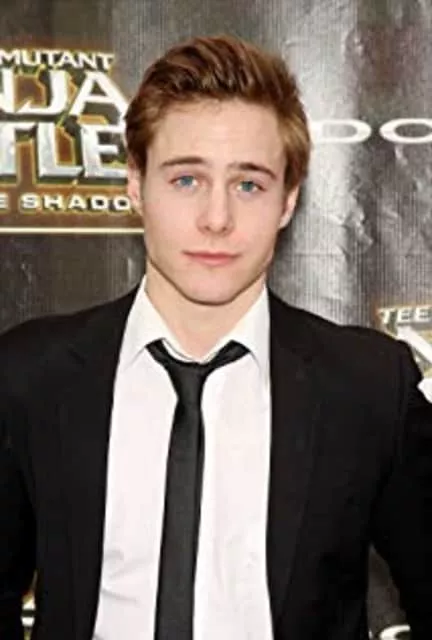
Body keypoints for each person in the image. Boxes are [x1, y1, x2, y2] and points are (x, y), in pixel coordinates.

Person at [0, 34, 431, 640]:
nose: (217, 218)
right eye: (186, 180)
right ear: (135, 184)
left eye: (249, 184)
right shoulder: (30, 376)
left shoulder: (368, 388)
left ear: (288, 200)